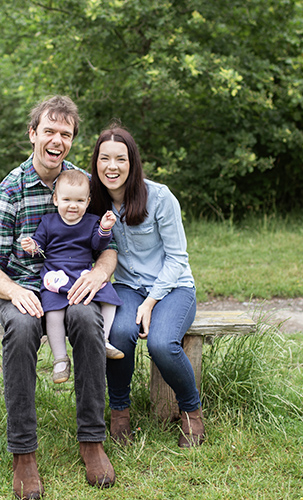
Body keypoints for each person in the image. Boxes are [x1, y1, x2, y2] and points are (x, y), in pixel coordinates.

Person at [0, 96, 116, 499]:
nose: (57, 140)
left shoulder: (81, 183)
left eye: (66, 134)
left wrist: (97, 273)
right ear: (33, 134)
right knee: (21, 330)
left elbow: (107, 245)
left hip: (72, 285)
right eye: (50, 131)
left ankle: (92, 440)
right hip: (23, 290)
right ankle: (24, 453)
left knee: (88, 321)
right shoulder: (10, 190)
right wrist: (16, 291)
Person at [87, 125, 204, 448]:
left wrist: (150, 301)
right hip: (126, 286)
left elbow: (178, 257)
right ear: (96, 162)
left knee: (162, 344)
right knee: (119, 334)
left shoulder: (160, 197)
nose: (113, 167)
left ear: (132, 162)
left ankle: (191, 411)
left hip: (173, 287)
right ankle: (120, 411)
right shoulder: (94, 202)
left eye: (121, 159)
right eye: (105, 158)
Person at [21, 169, 124, 384]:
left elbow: (98, 245)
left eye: (79, 200)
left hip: (83, 273)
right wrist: (32, 246)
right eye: (67, 199)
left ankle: (103, 339)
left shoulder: (91, 221)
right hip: (56, 275)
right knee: (53, 313)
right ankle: (60, 359)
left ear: (88, 202)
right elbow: (40, 246)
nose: (73, 205)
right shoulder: (49, 222)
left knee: (109, 297)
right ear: (56, 199)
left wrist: (104, 229)